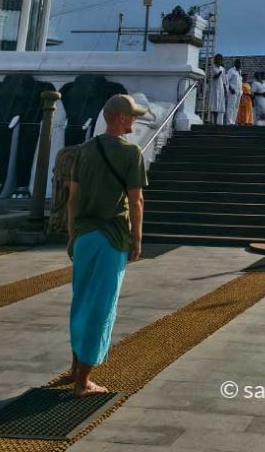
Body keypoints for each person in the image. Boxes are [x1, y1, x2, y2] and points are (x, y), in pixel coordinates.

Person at [66, 94, 147, 397]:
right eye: (133, 116)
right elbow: (136, 199)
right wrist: (137, 238)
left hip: (85, 236)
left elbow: (72, 197)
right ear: (120, 118)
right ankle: (83, 381)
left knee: (82, 300)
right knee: (102, 306)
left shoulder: (84, 150)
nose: (135, 121)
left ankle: (76, 367)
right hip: (112, 236)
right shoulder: (131, 153)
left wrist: (72, 235)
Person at [207, 53, 226, 125]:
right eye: (218, 59)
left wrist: (225, 90)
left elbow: (224, 80)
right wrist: (218, 74)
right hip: (214, 88)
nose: (219, 61)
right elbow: (211, 78)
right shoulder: (212, 68)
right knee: (214, 104)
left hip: (220, 88)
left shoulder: (222, 69)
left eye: (220, 60)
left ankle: (217, 121)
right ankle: (213, 121)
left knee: (219, 105)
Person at [225, 59, 243, 125]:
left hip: (239, 92)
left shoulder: (240, 72)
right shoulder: (231, 71)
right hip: (232, 91)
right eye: (238, 63)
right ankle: (229, 122)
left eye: (240, 63)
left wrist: (241, 92)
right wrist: (230, 88)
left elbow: (240, 82)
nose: (240, 65)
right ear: (235, 63)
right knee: (231, 106)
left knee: (236, 108)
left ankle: (233, 121)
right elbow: (226, 80)